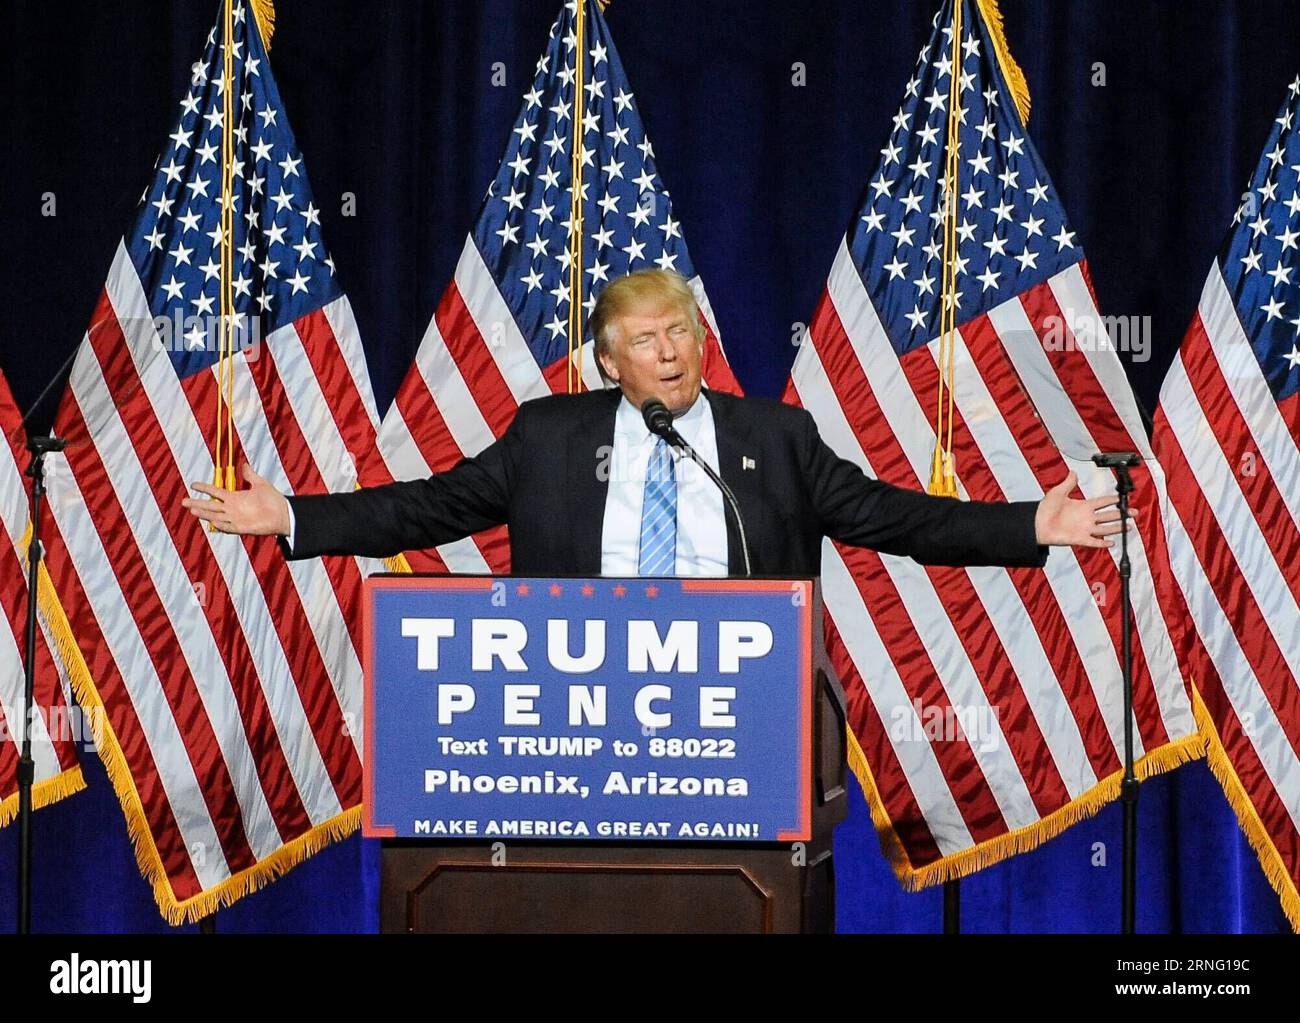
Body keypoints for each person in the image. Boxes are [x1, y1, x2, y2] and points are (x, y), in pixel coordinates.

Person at [182, 269, 1133, 574]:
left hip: (744, 722)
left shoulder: (775, 438)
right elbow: (429, 509)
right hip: (585, 726)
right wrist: (295, 517)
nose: (669, 352)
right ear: (608, 361)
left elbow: (897, 517)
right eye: (645, 340)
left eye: (680, 331)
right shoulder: (549, 436)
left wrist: (1030, 524)